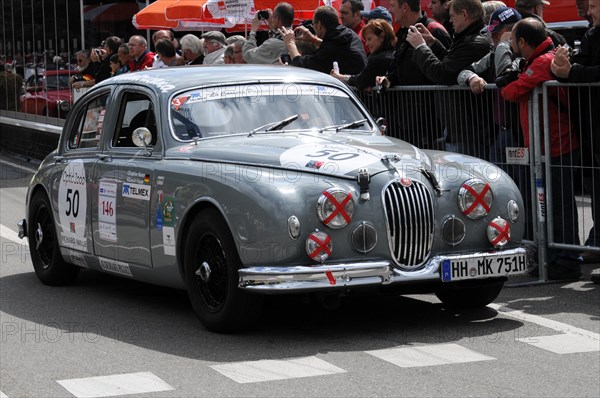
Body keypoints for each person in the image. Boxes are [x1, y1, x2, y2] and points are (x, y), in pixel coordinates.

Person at [497, 18, 582, 280]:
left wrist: (513, 76)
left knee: (560, 207)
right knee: (552, 204)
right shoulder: (537, 59)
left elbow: (511, 91)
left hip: (558, 145)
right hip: (548, 145)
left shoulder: (545, 61)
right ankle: (556, 257)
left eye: (512, 42)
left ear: (523, 42)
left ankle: (566, 261)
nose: (511, 47)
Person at [551, 0, 600, 279]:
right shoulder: (592, 33)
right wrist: (564, 64)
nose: (587, 11)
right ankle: (597, 244)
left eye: (593, 5)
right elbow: (579, 66)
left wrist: (572, 72)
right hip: (592, 128)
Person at [407, 0, 493, 155]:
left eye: (453, 15)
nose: (450, 19)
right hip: (460, 125)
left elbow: (442, 74)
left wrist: (420, 47)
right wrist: (432, 43)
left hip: (469, 129)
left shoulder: (475, 42)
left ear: (465, 14)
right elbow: (450, 62)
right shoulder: (468, 38)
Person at [374, 0, 452, 149]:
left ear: (405, 7)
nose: (389, 10)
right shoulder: (403, 32)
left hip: (428, 120)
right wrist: (388, 79)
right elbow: (398, 67)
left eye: (392, 6)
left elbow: (447, 67)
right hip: (404, 119)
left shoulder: (433, 29)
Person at [280, 6, 367, 75]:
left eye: (313, 24)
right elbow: (335, 47)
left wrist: (290, 43)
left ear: (319, 24)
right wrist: (313, 39)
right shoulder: (348, 33)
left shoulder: (330, 48)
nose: (313, 27)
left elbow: (301, 65)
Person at [331, 19, 396, 91]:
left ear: (382, 37)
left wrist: (340, 77)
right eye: (366, 40)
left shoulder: (379, 59)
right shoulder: (392, 53)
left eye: (369, 39)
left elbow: (361, 81)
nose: (367, 44)